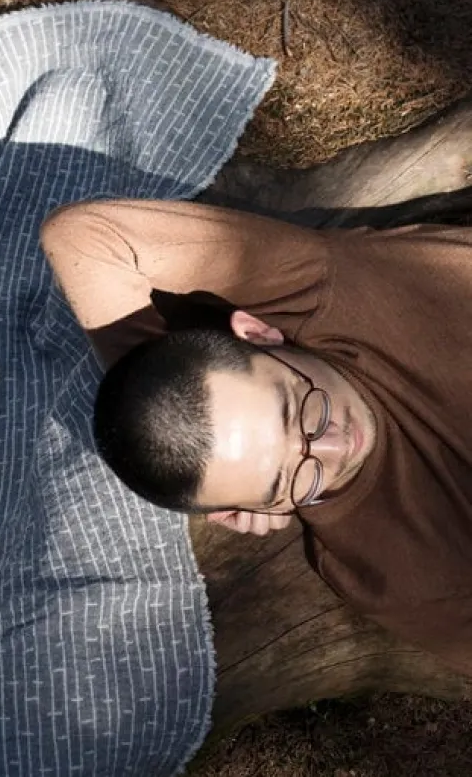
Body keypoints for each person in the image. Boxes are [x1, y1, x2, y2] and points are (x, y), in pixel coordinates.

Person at [40, 197, 472, 676]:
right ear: (248, 511)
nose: (332, 445)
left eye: (300, 411)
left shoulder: (316, 289)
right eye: (287, 478)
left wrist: (158, 373)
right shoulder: (400, 576)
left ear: (259, 333)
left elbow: (83, 236)